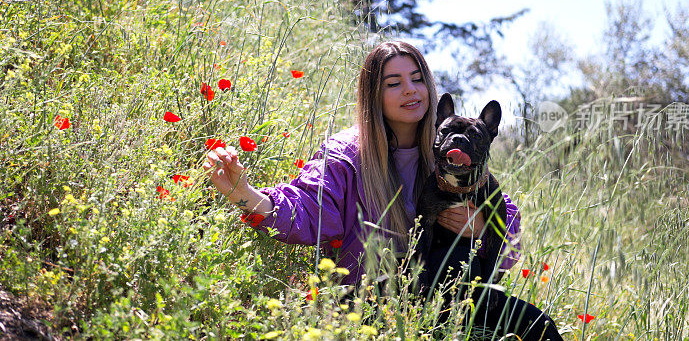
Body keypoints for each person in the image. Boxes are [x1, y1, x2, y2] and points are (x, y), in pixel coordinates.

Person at [203, 41, 563, 340]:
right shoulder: (346, 155)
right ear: (373, 94)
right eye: (394, 83)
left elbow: (506, 214)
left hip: (452, 292)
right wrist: (244, 192)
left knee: (541, 330)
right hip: (371, 304)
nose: (410, 90)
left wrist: (482, 229)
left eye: (418, 79)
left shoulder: (448, 152)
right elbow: (307, 208)